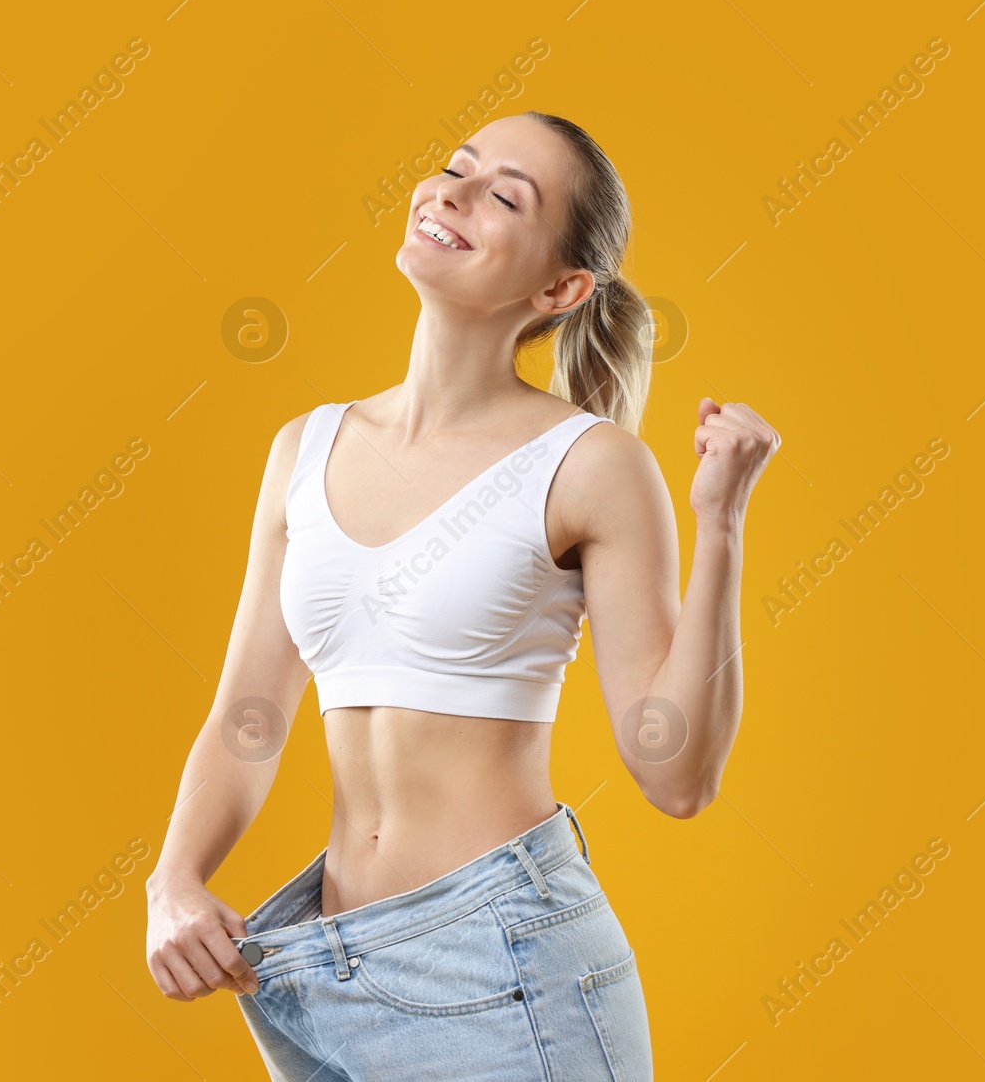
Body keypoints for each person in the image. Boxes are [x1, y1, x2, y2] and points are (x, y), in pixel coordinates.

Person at [144, 110, 780, 1080]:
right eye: (455, 167)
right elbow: (247, 714)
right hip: (321, 969)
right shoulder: (302, 449)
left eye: (503, 196)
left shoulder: (589, 464)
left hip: (503, 960)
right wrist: (173, 877)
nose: (451, 192)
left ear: (560, 288)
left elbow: (675, 773)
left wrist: (722, 522)